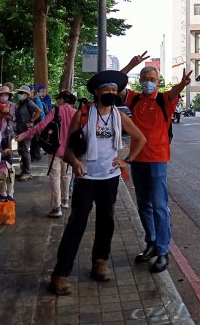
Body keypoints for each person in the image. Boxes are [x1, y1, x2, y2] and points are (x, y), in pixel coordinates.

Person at [49, 70, 146, 296]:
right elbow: (67, 148)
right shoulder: (82, 114)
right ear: (96, 92)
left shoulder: (119, 116)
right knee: (77, 223)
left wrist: (126, 161)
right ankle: (60, 274)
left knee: (107, 220)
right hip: (86, 178)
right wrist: (74, 162)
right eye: (107, 90)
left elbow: (141, 138)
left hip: (110, 177)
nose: (111, 93)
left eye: (114, 90)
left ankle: (99, 262)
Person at [120, 54, 192, 274]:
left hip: (158, 160)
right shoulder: (133, 99)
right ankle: (151, 242)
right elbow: (115, 83)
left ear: (158, 82)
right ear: (139, 81)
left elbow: (174, 92)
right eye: (144, 78)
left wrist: (181, 85)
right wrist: (131, 65)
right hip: (137, 159)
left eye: (151, 78)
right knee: (143, 205)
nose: (148, 81)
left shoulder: (163, 100)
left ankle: (163, 251)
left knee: (159, 206)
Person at [17, 90, 77, 217]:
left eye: (58, 99)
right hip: (70, 151)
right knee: (67, 175)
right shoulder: (75, 112)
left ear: (61, 99)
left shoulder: (55, 111)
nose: (57, 101)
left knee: (55, 177)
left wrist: (24, 135)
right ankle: (65, 200)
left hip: (55, 150)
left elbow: (41, 126)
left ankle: (56, 208)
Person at [15, 85, 42, 181]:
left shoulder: (29, 103)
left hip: (27, 130)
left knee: (25, 150)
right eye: (19, 93)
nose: (20, 94)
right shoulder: (21, 103)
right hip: (20, 129)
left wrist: (31, 120)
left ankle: (27, 172)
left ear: (27, 94)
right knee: (21, 150)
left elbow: (39, 111)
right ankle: (23, 170)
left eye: (21, 93)